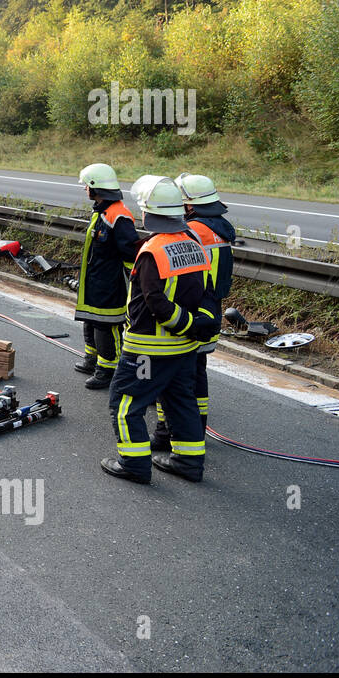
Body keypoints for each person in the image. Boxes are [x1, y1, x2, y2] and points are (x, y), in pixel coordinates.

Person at [101, 176, 218, 484]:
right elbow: (206, 291)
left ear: (148, 213)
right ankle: (189, 463)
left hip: (148, 351)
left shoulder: (153, 250)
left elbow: (155, 301)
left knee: (125, 404)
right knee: (181, 402)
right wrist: (194, 327)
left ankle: (135, 466)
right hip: (184, 350)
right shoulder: (194, 243)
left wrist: (185, 324)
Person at [152, 173, 236, 460]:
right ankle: (196, 429)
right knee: (197, 374)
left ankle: (166, 433)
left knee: (172, 377)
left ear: (188, 206)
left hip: (187, 315)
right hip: (210, 313)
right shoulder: (219, 229)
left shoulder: (192, 231)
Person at [73, 164, 141, 389]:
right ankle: (92, 359)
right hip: (95, 281)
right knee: (91, 320)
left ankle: (108, 370)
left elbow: (131, 252)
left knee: (105, 326)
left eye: (86, 185)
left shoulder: (118, 215)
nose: (84, 189)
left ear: (95, 188)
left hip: (110, 284)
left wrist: (134, 284)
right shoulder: (102, 211)